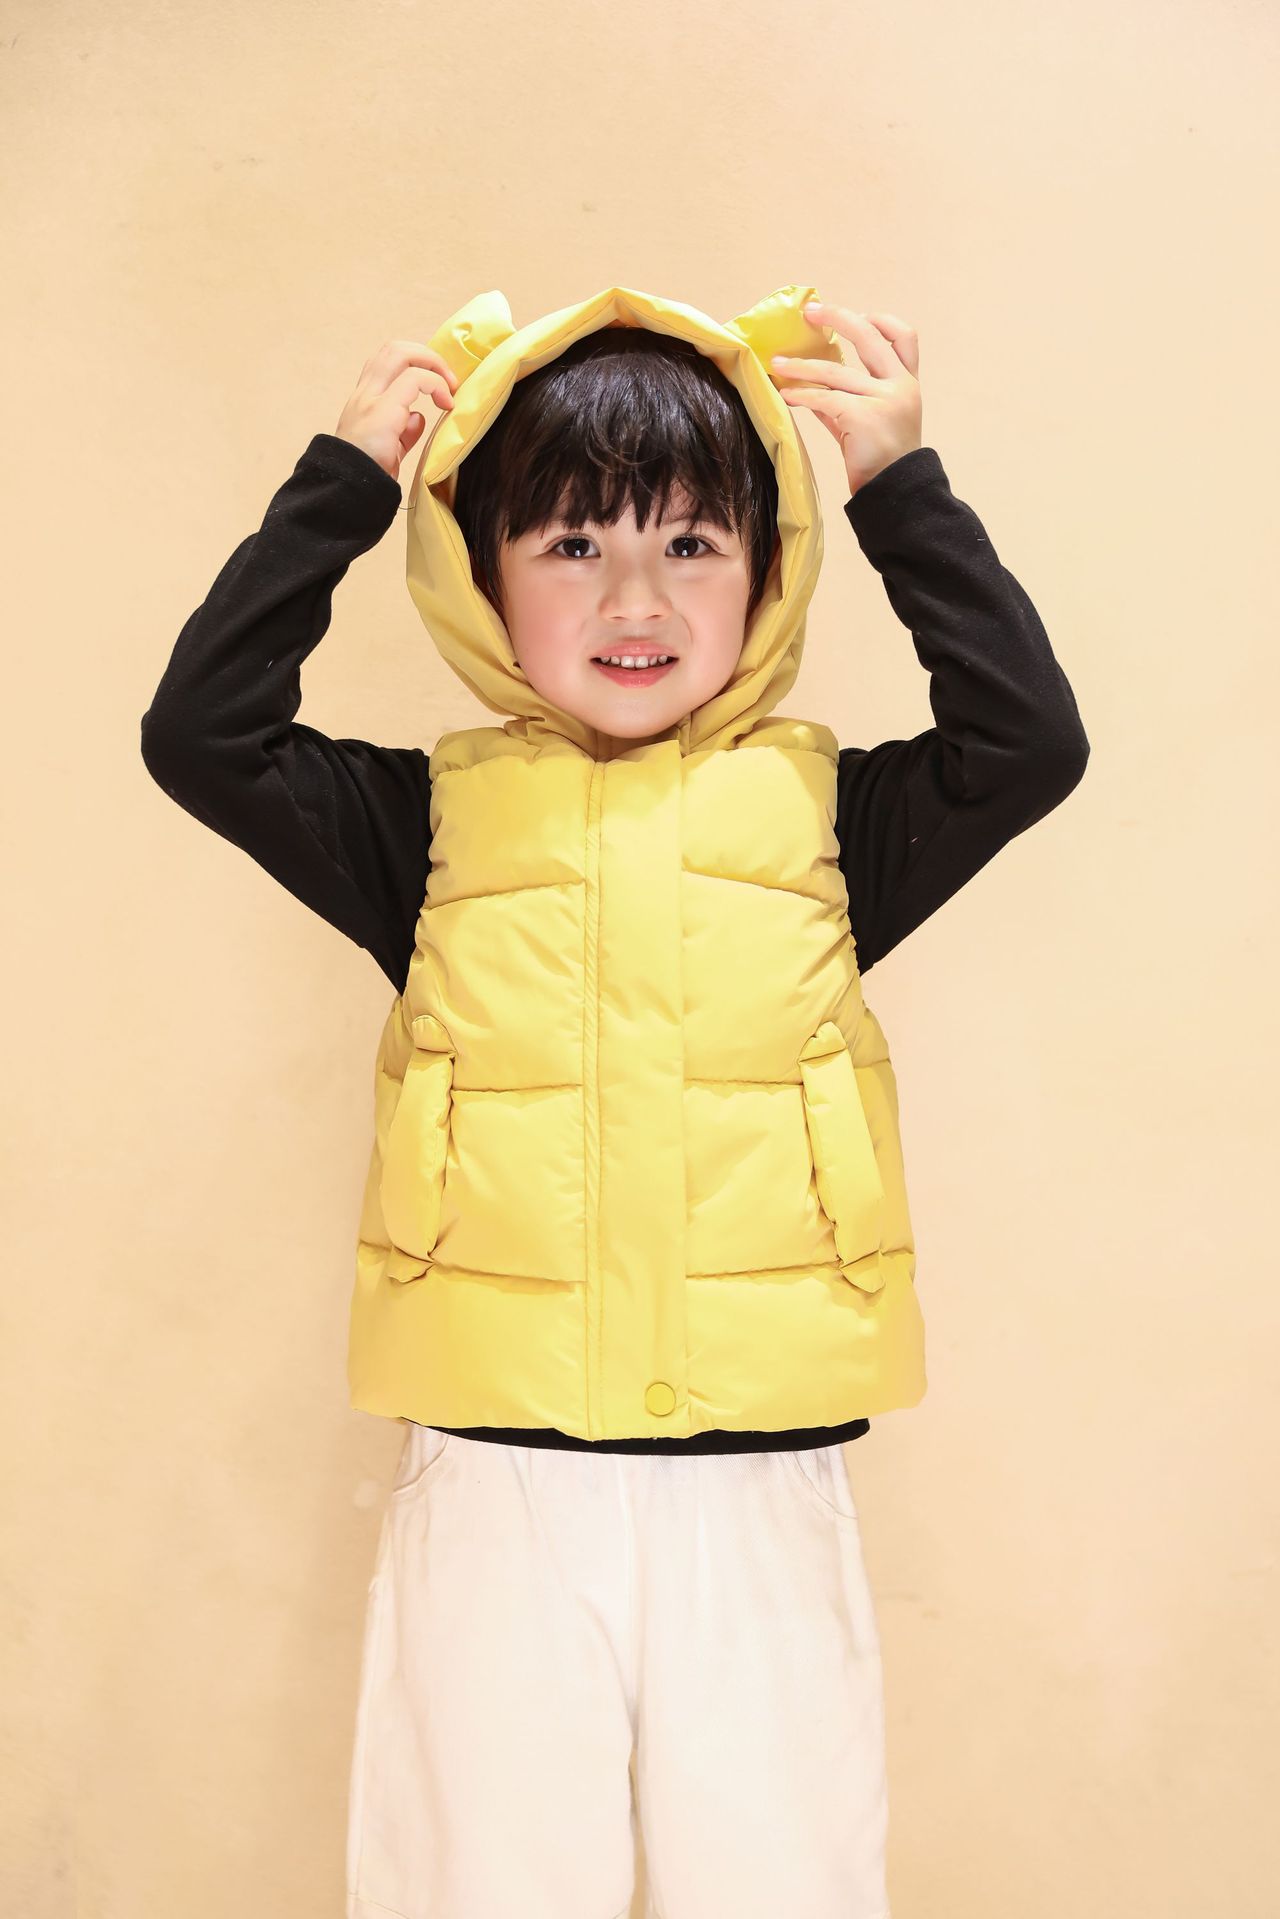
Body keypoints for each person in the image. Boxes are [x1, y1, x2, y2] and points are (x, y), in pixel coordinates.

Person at [140, 283, 1090, 1919]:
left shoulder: (829, 827)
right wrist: (347, 486)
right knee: (478, 1882)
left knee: (782, 1880)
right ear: (483, 577)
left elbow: (1028, 742)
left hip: (760, 1474)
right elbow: (203, 733)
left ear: (767, 572)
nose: (634, 596)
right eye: (572, 542)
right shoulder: (422, 832)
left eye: (693, 542)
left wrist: (896, 489)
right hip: (496, 1475)